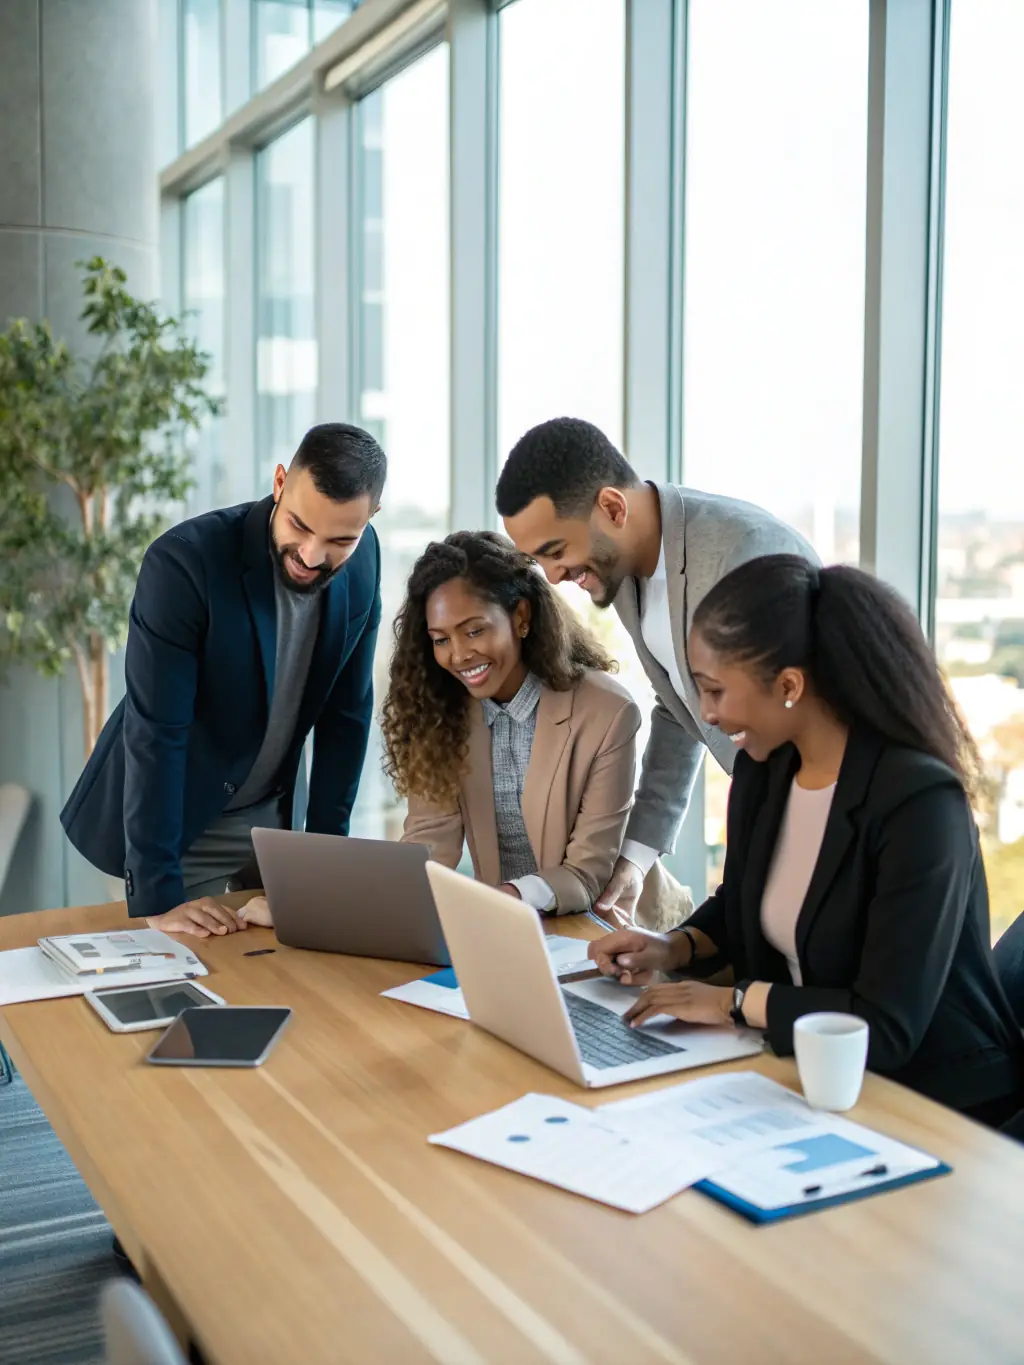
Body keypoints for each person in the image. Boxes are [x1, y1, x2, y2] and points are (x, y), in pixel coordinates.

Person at [588, 554, 1024, 1121]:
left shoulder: (918, 803)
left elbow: (887, 1025)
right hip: (804, 1079)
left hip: (933, 1100)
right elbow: (743, 902)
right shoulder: (764, 769)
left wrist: (734, 1004)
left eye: (715, 690)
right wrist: (673, 946)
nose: (708, 715)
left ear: (789, 685)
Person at [61, 423, 386, 938]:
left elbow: (347, 716)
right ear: (280, 483)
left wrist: (325, 868)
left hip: (275, 819)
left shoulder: (366, 559)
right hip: (183, 822)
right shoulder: (184, 564)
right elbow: (156, 731)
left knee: (300, 984)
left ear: (369, 521)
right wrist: (159, 893)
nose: (311, 555)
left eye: (338, 540)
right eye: (299, 526)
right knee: (195, 987)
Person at [496, 416, 817, 924]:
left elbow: (792, 716)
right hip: (768, 811)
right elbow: (680, 705)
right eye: (539, 560)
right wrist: (636, 856)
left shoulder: (743, 553)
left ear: (612, 507)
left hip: (826, 819)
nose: (554, 576)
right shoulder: (622, 568)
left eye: (556, 552)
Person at [375, 531, 687, 922]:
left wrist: (506, 896)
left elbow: (587, 873)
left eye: (474, 631)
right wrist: (387, 897)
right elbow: (429, 840)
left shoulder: (607, 713)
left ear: (521, 617)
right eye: (440, 640)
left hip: (610, 922)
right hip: (508, 926)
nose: (458, 655)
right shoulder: (439, 711)